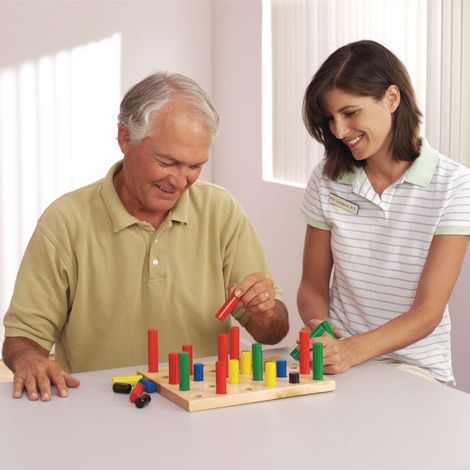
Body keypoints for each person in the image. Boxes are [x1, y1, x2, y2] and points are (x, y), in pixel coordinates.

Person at [2, 72, 289, 401]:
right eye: (167, 162)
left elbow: (272, 331)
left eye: (195, 166)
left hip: (201, 404)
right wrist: (29, 359)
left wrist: (266, 311)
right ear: (126, 139)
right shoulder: (65, 221)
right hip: (101, 408)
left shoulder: (221, 210)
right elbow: (22, 338)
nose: (180, 181)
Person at [297, 40, 470, 384]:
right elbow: (312, 286)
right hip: (344, 370)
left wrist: (352, 351)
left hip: (420, 375)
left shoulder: (455, 185)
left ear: (391, 98)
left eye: (350, 113)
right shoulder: (327, 178)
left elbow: (427, 313)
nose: (339, 131)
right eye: (331, 119)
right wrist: (321, 328)